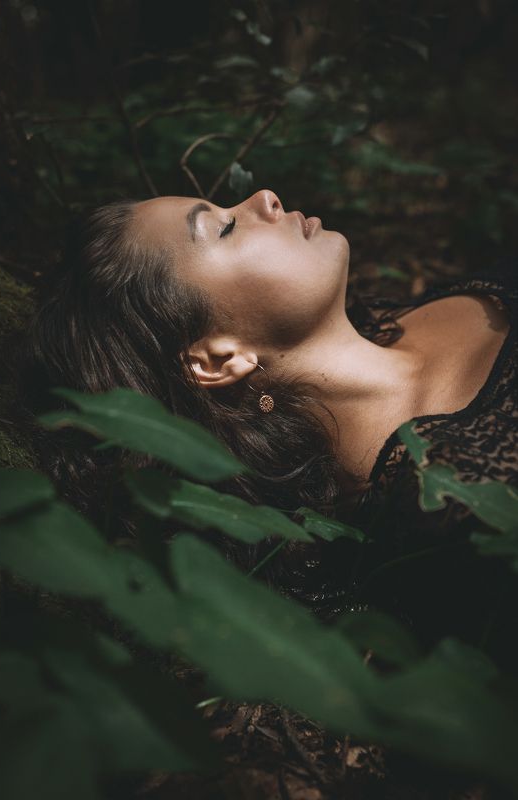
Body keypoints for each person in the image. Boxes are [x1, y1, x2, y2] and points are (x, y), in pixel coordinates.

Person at [26, 189, 517, 643]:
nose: (264, 198)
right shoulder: (452, 495)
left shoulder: (386, 318)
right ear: (216, 358)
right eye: (224, 228)